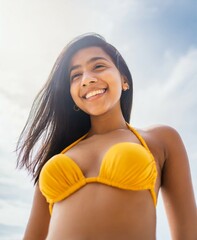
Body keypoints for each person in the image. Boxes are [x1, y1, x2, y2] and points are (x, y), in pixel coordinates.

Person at [16, 33, 197, 240]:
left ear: (124, 80)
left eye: (98, 66)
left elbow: (188, 235)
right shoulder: (57, 157)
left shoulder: (161, 139)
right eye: (75, 76)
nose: (87, 79)